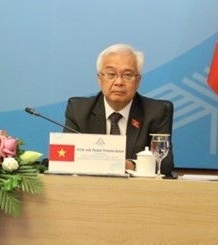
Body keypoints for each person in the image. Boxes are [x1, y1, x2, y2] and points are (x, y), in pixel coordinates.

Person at [64, 43, 174, 175]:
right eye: (111, 74)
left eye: (127, 75)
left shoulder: (156, 112)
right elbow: (66, 157)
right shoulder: (79, 110)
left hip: (135, 187)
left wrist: (131, 165)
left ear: (138, 81)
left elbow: (164, 163)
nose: (119, 82)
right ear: (100, 79)